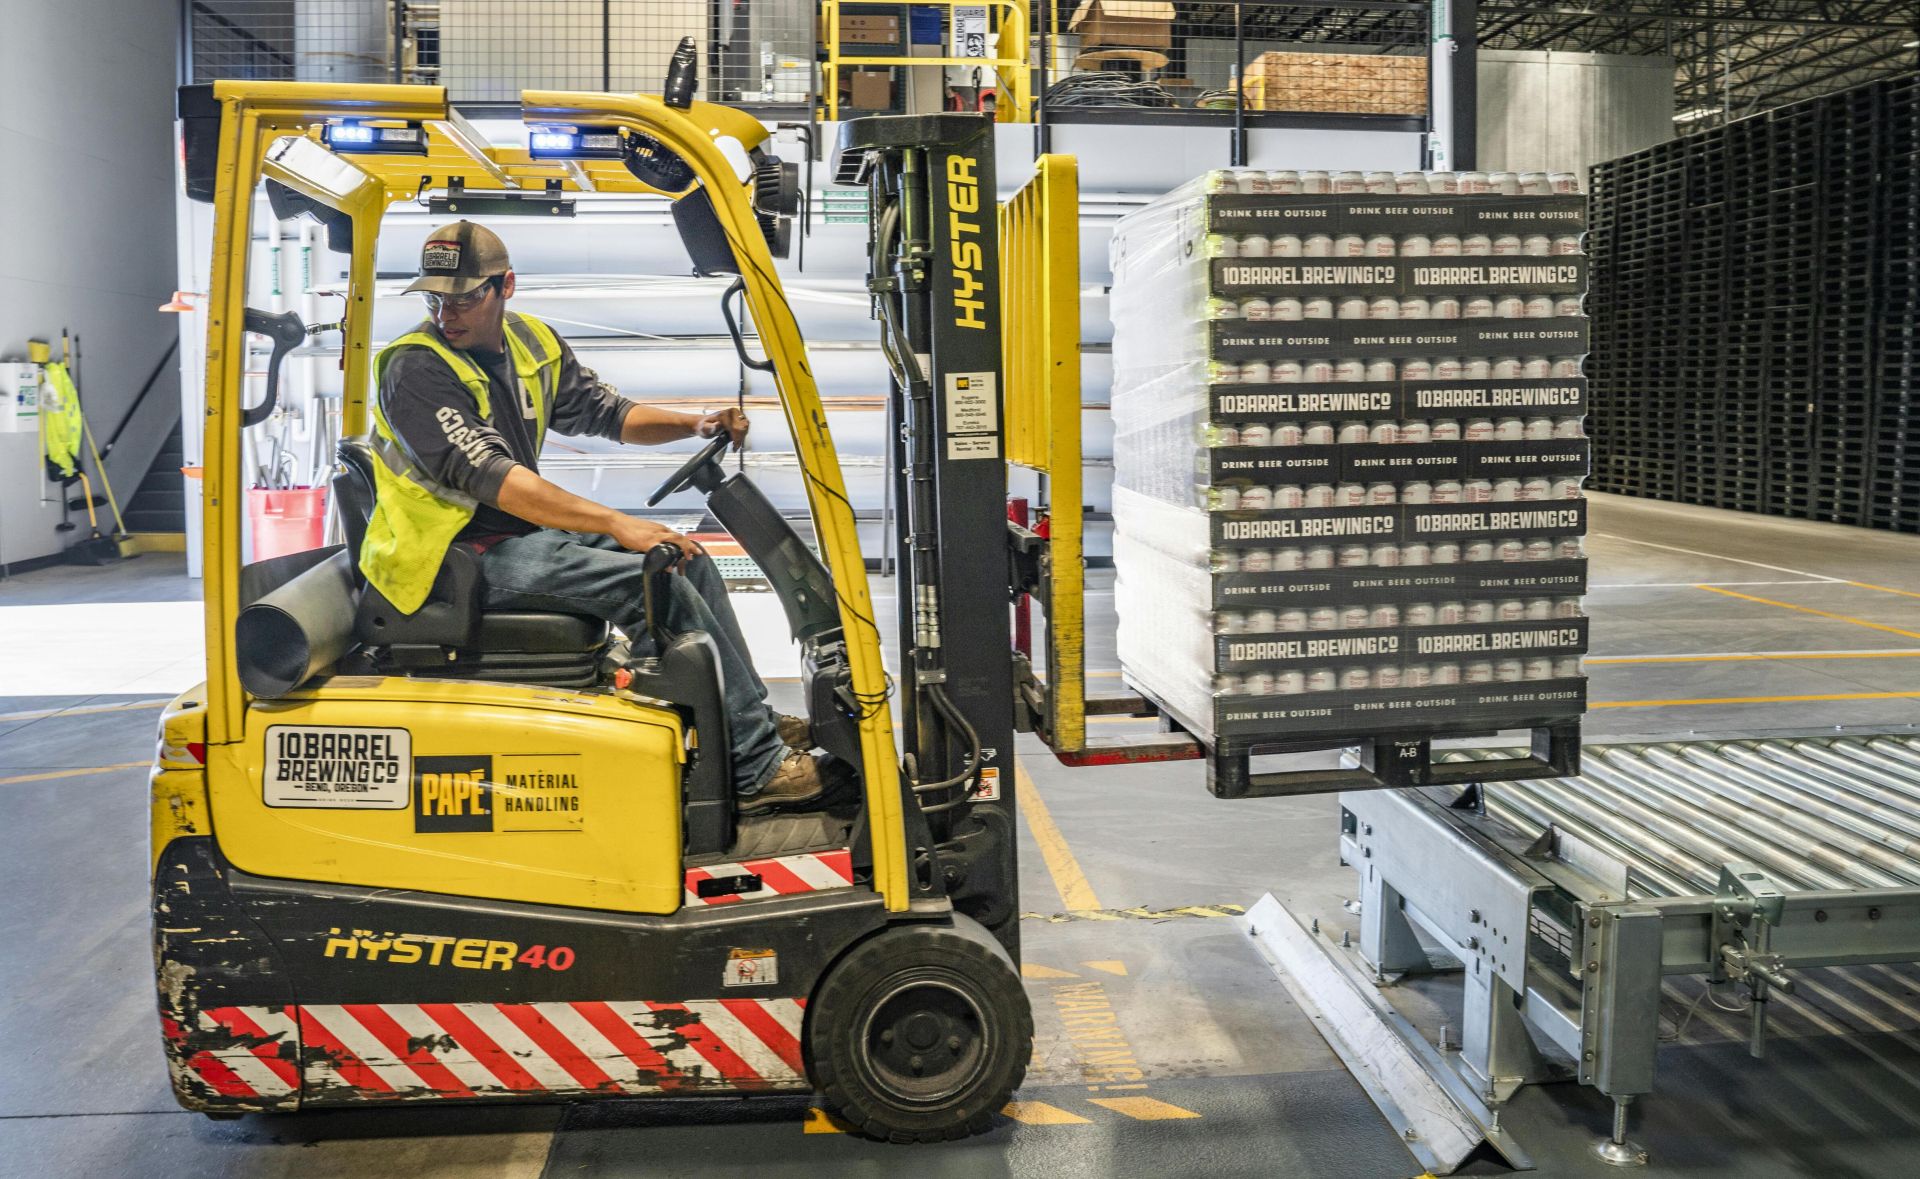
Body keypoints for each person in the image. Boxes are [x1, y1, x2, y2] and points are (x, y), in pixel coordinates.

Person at [362, 220, 831, 812]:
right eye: (435, 297)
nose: (445, 312)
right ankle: (755, 766)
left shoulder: (532, 342)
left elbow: (608, 413)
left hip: (510, 538)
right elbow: (495, 480)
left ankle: (749, 720)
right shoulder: (416, 368)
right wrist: (614, 522)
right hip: (449, 558)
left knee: (688, 560)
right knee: (652, 582)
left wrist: (694, 423)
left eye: (463, 296)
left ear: (505, 286)